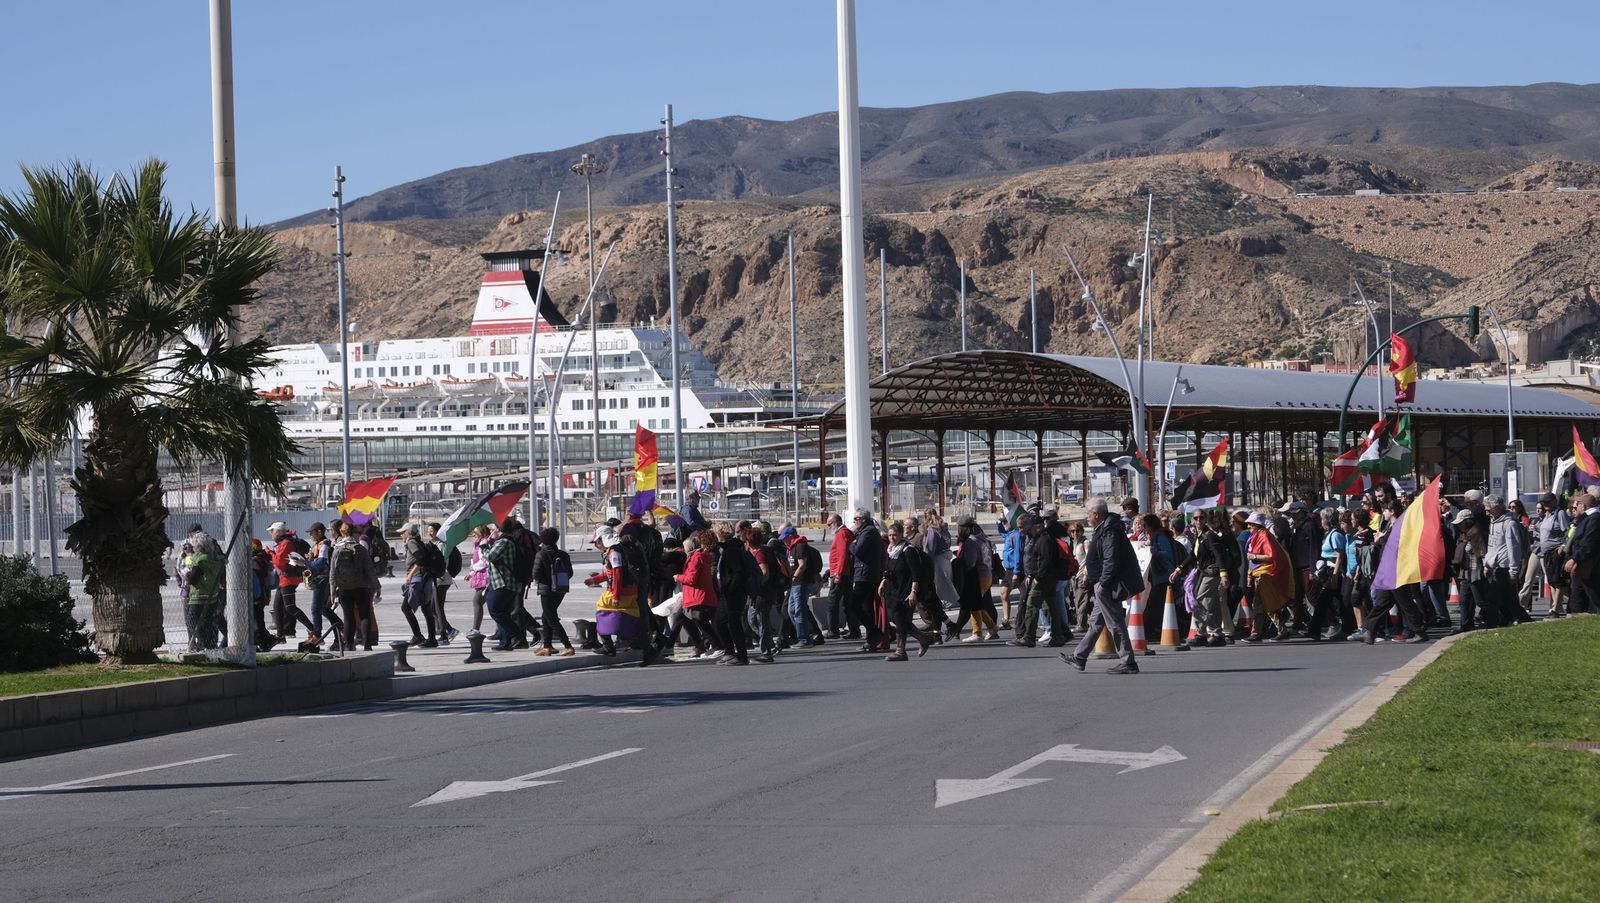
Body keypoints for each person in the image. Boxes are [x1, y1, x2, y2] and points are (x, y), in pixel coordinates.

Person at [1061, 496, 1143, 674]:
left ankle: (1128, 662)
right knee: (1096, 622)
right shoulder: (1105, 528)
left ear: (1096, 514)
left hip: (1106, 585)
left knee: (1115, 623)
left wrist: (1104, 583)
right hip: (1102, 584)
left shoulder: (1109, 531)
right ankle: (1080, 656)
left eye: (1088, 513)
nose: (1086, 516)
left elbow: (1110, 559)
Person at [878, 521, 935, 661]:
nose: (892, 538)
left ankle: (901, 651)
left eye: (895, 535)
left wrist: (913, 592)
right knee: (897, 619)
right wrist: (883, 581)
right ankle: (923, 638)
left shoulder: (908, 550)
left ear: (900, 535)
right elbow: (890, 569)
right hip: (893, 590)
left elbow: (916, 573)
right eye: (890, 535)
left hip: (906, 591)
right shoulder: (892, 550)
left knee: (900, 619)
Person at [1190, 509, 1239, 646]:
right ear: (1192, 520)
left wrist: (1224, 574)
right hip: (1205, 572)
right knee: (1214, 602)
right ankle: (1218, 633)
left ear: (1206, 519)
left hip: (1213, 572)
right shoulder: (1199, 535)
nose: (1198, 520)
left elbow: (1219, 556)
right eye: (1196, 518)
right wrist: (1179, 568)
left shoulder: (1209, 535)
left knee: (1199, 600)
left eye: (1201, 517)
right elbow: (1193, 555)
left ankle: (1201, 633)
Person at [1483, 494, 1532, 627]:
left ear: (1497, 508)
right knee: (1509, 601)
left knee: (1494, 600)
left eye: (1488, 509)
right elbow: (1492, 546)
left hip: (1505, 568)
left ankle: (1491, 625)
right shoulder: (1493, 522)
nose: (1486, 512)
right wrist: (1487, 564)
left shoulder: (1509, 523)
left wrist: (1513, 571)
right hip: (1495, 567)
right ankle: (1521, 621)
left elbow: (1514, 547)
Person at [526, 527, 576, 656]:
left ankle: (567, 646)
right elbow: (569, 573)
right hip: (561, 589)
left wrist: (544, 579)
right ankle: (547, 646)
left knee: (551, 618)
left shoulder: (541, 554)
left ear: (543, 540)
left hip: (546, 590)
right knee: (546, 616)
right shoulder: (563, 554)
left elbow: (536, 574)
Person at [330, 519, 378, 652]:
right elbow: (369, 569)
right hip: (361, 587)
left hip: (344, 588)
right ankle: (367, 644)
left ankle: (349, 644)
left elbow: (332, 573)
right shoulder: (360, 548)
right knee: (364, 615)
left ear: (342, 532)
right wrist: (376, 586)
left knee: (348, 616)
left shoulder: (337, 549)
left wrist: (332, 591)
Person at [267, 521, 318, 642]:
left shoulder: (286, 543)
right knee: (277, 607)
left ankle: (313, 629)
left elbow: (279, 562)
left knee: (290, 607)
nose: (271, 535)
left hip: (288, 579)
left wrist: (270, 553)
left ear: (278, 532)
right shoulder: (284, 542)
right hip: (285, 579)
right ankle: (280, 635)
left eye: (272, 532)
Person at [675, 529, 721, 655]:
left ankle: (715, 646)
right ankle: (705, 646)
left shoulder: (695, 558)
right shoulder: (703, 557)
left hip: (696, 595)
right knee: (697, 620)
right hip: (698, 595)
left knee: (699, 621)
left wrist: (678, 577)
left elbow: (692, 579)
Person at [712, 523, 752, 665]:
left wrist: (730, 588)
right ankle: (730, 652)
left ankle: (740, 655)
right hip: (728, 592)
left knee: (732, 623)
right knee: (720, 622)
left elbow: (737, 572)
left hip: (733, 593)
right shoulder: (728, 548)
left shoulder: (732, 550)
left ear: (721, 533)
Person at [1526, 493, 1570, 617]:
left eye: (1548, 502)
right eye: (1544, 502)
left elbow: (1567, 531)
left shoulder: (1559, 514)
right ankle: (1560, 605)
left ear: (1554, 501)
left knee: (1558, 580)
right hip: (1546, 553)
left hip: (1556, 551)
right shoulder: (1547, 515)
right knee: (1552, 581)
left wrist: (1563, 547)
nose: (1545, 504)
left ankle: (1555, 608)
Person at [849, 509, 887, 652]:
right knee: (866, 607)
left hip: (865, 574)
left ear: (863, 519)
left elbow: (857, 550)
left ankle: (874, 632)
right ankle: (872, 638)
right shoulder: (867, 531)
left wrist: (852, 541)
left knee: (854, 604)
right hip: (865, 573)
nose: (854, 522)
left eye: (856, 519)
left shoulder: (868, 531)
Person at [398, 523, 440, 647]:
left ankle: (418, 636)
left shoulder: (411, 542)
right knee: (426, 609)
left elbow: (420, 559)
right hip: (424, 577)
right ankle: (432, 639)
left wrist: (411, 574)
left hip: (418, 578)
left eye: (403, 532)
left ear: (409, 533)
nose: (401, 534)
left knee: (405, 607)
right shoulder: (418, 541)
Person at [182, 533, 224, 651]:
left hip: (198, 596)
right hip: (212, 594)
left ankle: (202, 644)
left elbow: (193, 580)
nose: (192, 547)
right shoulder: (214, 558)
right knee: (208, 621)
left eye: (194, 545)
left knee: (192, 620)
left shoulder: (199, 560)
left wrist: (186, 575)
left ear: (199, 546)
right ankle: (210, 644)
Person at [785, 529, 825, 647]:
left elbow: (802, 565)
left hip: (801, 582)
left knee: (799, 611)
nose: (783, 541)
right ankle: (803, 635)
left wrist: (795, 576)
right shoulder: (792, 547)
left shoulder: (800, 546)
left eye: (785, 538)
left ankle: (804, 639)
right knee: (791, 610)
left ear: (790, 536)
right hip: (795, 584)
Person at [425, 521, 461, 645]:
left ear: (438, 531)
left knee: (437, 607)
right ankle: (449, 630)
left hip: (442, 579)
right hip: (438, 578)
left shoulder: (442, 545)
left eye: (432, 530)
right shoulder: (433, 544)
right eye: (428, 530)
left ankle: (444, 635)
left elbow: (443, 561)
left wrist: (439, 574)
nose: (430, 532)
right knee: (433, 607)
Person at [826, 512, 858, 639]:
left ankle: (833, 631)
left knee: (832, 603)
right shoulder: (845, 533)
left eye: (829, 524)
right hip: (845, 573)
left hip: (841, 574)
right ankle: (854, 630)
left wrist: (838, 573)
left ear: (835, 522)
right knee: (848, 603)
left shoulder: (842, 534)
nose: (828, 527)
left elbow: (843, 555)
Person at [467, 523, 492, 635]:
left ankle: (476, 629)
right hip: (479, 576)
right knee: (482, 602)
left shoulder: (483, 543)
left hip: (485, 577)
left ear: (483, 534)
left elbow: (484, 561)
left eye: (476, 533)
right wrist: (471, 572)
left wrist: (474, 568)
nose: (474, 535)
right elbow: (476, 559)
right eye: (473, 533)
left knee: (477, 601)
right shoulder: (477, 544)